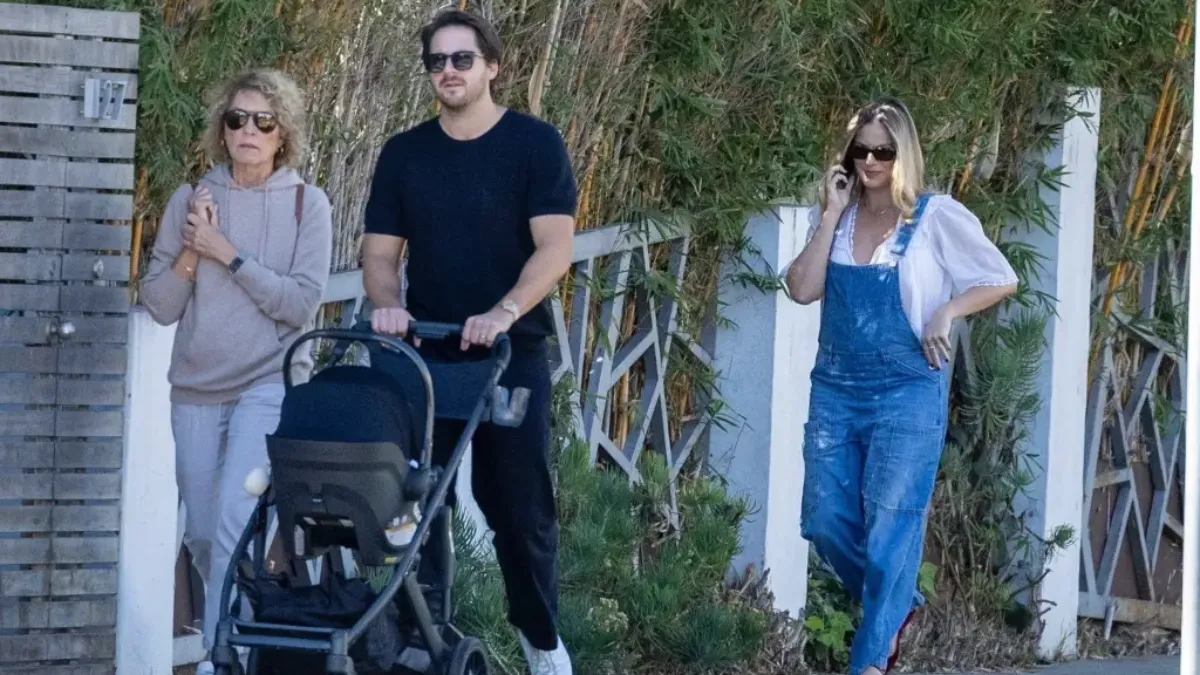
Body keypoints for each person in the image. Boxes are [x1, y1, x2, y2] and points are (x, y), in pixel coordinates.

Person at [360, 9, 577, 675]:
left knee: (518, 506)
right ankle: (427, 637)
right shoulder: (404, 153)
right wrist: (389, 306)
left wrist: (504, 310)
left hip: (509, 352)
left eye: (462, 59)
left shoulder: (535, 145)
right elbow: (379, 255)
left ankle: (542, 641)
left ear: (492, 67)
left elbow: (555, 248)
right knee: (415, 500)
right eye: (437, 61)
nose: (448, 71)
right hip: (427, 350)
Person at [784, 98, 1018, 675]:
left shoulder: (933, 217)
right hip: (836, 388)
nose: (870, 161)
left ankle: (870, 658)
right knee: (821, 517)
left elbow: (1000, 278)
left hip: (907, 388)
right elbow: (801, 289)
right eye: (860, 150)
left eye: (883, 151)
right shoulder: (837, 219)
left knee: (892, 521)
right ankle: (897, 605)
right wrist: (830, 214)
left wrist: (948, 311)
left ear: (904, 153)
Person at [140, 69, 333, 675]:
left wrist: (227, 252)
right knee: (202, 536)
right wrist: (194, 246)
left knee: (232, 522)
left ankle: (225, 659)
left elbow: (299, 304)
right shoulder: (190, 201)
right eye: (237, 119)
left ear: (283, 134)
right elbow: (159, 304)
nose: (249, 130)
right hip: (196, 388)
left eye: (263, 121)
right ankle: (236, 638)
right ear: (221, 130)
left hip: (270, 383)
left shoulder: (308, 205)